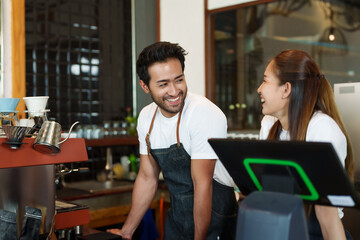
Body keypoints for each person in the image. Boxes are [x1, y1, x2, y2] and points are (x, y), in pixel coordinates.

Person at [108, 41, 238, 240]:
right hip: (178, 220)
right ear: (144, 86)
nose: (174, 91)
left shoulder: (203, 113)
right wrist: (126, 231)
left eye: (179, 80)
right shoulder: (146, 118)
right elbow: (147, 177)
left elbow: (202, 184)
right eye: (163, 84)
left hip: (215, 219)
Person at [257, 49, 354, 240]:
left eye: (266, 80)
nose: (259, 88)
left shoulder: (322, 130)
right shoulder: (268, 125)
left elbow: (328, 219)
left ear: (286, 89)